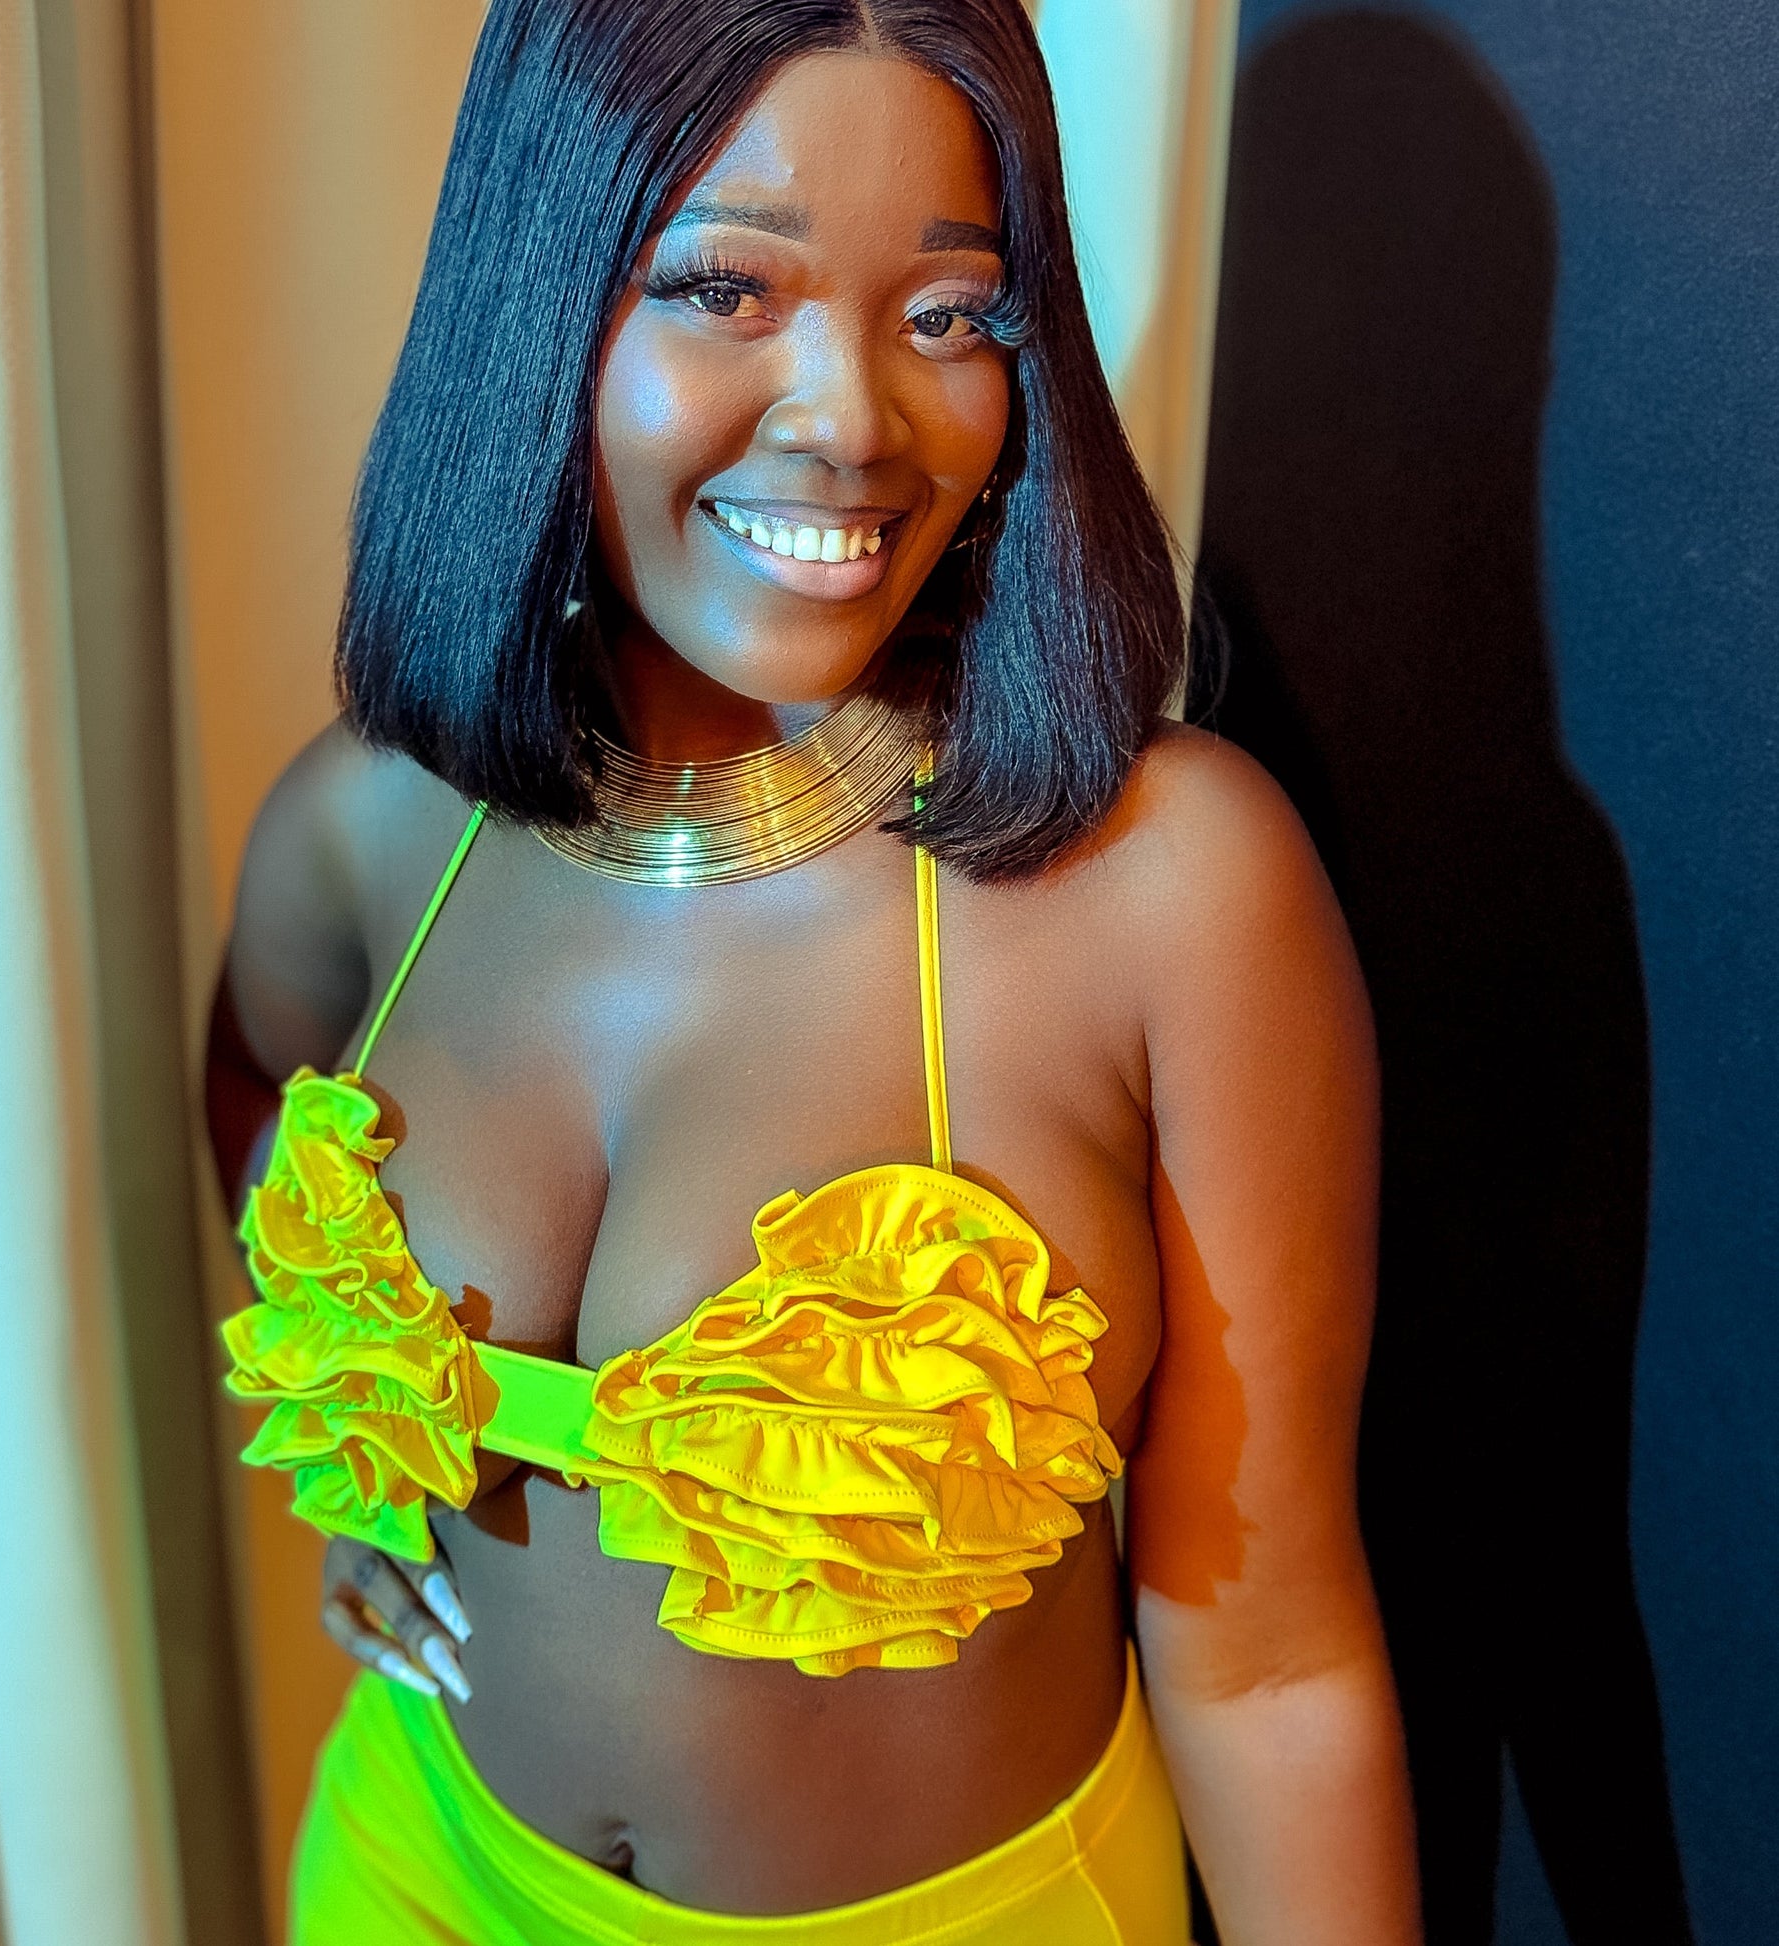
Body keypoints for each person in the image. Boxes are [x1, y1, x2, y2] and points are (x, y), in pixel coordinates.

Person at [207, 1, 1421, 1939]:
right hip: (407, 1867)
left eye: (949, 314)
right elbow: (257, 1097)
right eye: (726, 289)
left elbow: (1266, 1658)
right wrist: (373, 1478)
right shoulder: (375, 821)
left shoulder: (1165, 886)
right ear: (539, 302)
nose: (854, 416)